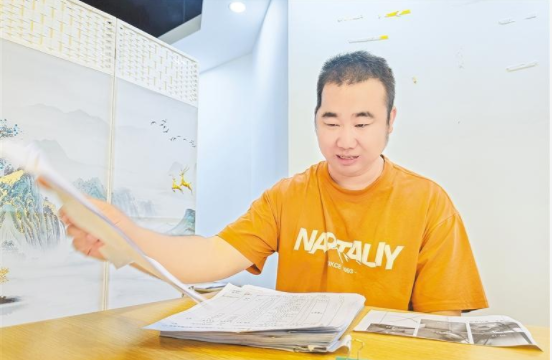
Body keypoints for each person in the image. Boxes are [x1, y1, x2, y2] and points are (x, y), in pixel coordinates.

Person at [59, 51, 488, 316]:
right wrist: (126, 238)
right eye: (331, 121)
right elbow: (210, 257)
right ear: (315, 119)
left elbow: (443, 321)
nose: (345, 140)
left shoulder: (428, 202)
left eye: (362, 122)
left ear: (390, 121)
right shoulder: (288, 195)